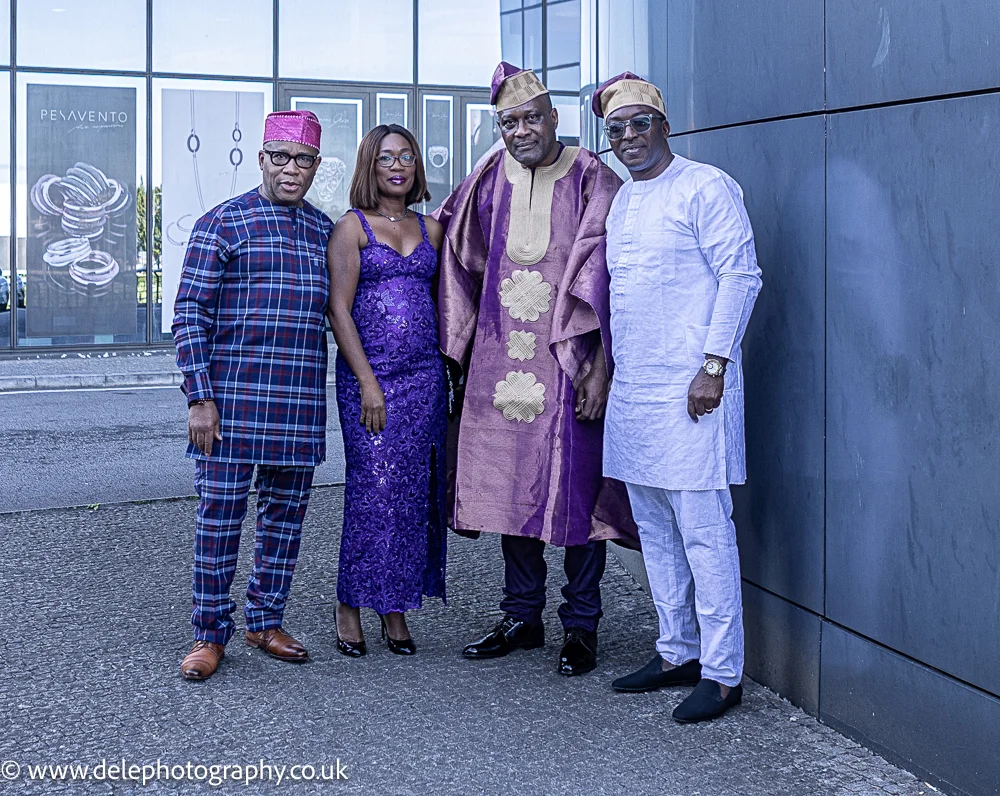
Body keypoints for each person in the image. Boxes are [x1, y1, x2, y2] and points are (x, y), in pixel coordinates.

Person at [435, 62, 637, 677]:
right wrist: (457, 354)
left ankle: (581, 627)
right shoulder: (489, 176)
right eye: (508, 122)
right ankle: (522, 616)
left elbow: (610, 283)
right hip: (498, 364)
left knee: (577, 492)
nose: (520, 130)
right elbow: (454, 259)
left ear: (555, 119)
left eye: (530, 118)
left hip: (566, 362)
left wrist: (600, 366)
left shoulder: (592, 176)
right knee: (508, 489)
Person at [594, 73, 762, 722]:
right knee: (656, 531)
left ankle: (722, 674)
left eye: (640, 123)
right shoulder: (622, 201)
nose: (630, 137)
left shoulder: (706, 186)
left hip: (695, 389)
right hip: (636, 391)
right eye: (617, 129)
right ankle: (676, 653)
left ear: (665, 125)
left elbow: (740, 276)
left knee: (703, 533)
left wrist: (713, 366)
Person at [173, 110, 332, 681]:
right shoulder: (223, 224)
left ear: (316, 166)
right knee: (219, 520)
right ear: (262, 158)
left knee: (285, 520)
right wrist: (199, 396)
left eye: (305, 159)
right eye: (282, 157)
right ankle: (208, 634)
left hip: (298, 403)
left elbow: (344, 316)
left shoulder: (324, 231)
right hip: (229, 404)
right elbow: (190, 312)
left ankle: (265, 620)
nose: (293, 169)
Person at [327, 125, 447, 657]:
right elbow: (339, 310)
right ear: (369, 168)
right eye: (385, 158)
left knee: (411, 493)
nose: (398, 166)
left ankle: (394, 606)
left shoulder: (434, 228)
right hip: (369, 382)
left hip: (424, 380)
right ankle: (350, 603)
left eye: (407, 157)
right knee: (371, 490)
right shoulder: (351, 228)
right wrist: (368, 383)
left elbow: (449, 307)